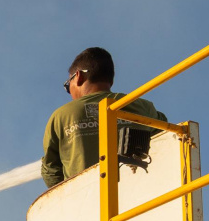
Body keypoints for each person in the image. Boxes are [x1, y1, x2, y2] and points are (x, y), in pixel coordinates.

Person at [41, 47, 168, 188]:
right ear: (110, 80)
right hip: (141, 195)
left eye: (67, 86)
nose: (69, 91)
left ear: (78, 76)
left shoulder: (62, 116)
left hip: (84, 197)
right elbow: (167, 140)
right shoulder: (143, 107)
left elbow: (50, 171)